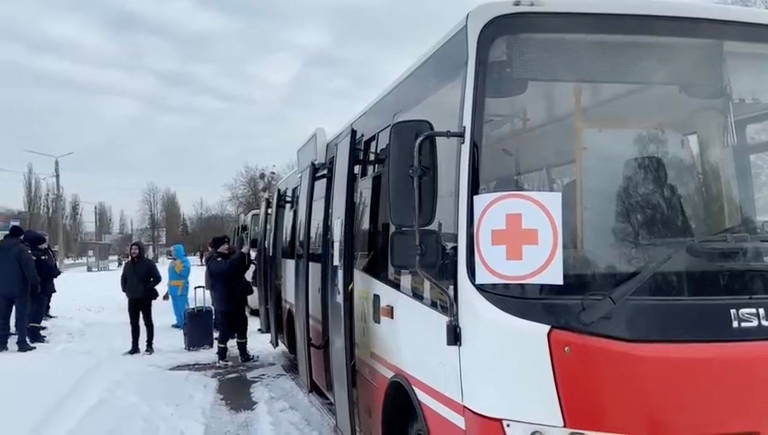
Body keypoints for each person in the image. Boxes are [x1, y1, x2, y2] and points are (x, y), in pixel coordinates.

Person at [206, 235, 254, 366]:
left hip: (238, 300)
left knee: (242, 328)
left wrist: (246, 255)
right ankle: (221, 357)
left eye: (227, 244)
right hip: (225, 302)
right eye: (223, 244)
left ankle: (244, 354)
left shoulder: (231, 257)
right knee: (225, 330)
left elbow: (242, 267)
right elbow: (226, 268)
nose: (227, 246)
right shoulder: (213, 260)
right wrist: (240, 255)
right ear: (217, 247)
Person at [0, 225, 39, 352]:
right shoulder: (22, 249)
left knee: (3, 317)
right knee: (21, 316)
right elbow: (29, 270)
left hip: (2, 288)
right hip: (20, 288)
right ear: (20, 235)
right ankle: (22, 343)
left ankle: (2, 343)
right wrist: (35, 284)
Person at [120, 241, 161, 355]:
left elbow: (157, 278)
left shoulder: (148, 264)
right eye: (132, 249)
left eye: (136, 249)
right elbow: (123, 278)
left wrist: (147, 287)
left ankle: (149, 345)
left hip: (145, 298)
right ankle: (134, 346)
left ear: (140, 250)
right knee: (134, 323)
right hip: (132, 298)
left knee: (148, 321)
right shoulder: (128, 265)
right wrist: (125, 288)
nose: (133, 251)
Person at [24, 230, 60, 344]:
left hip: (42, 285)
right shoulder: (35, 254)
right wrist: (53, 272)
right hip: (39, 285)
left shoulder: (41, 252)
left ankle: (34, 328)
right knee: (36, 309)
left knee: (37, 308)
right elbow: (43, 270)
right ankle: (33, 333)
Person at [164, 244, 190, 329]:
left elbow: (184, 274)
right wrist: (168, 291)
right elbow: (171, 277)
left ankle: (186, 323)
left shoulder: (184, 261)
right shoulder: (173, 261)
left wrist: (177, 265)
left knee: (182, 306)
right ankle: (179, 322)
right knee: (176, 307)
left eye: (174, 251)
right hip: (173, 289)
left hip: (181, 289)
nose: (172, 253)